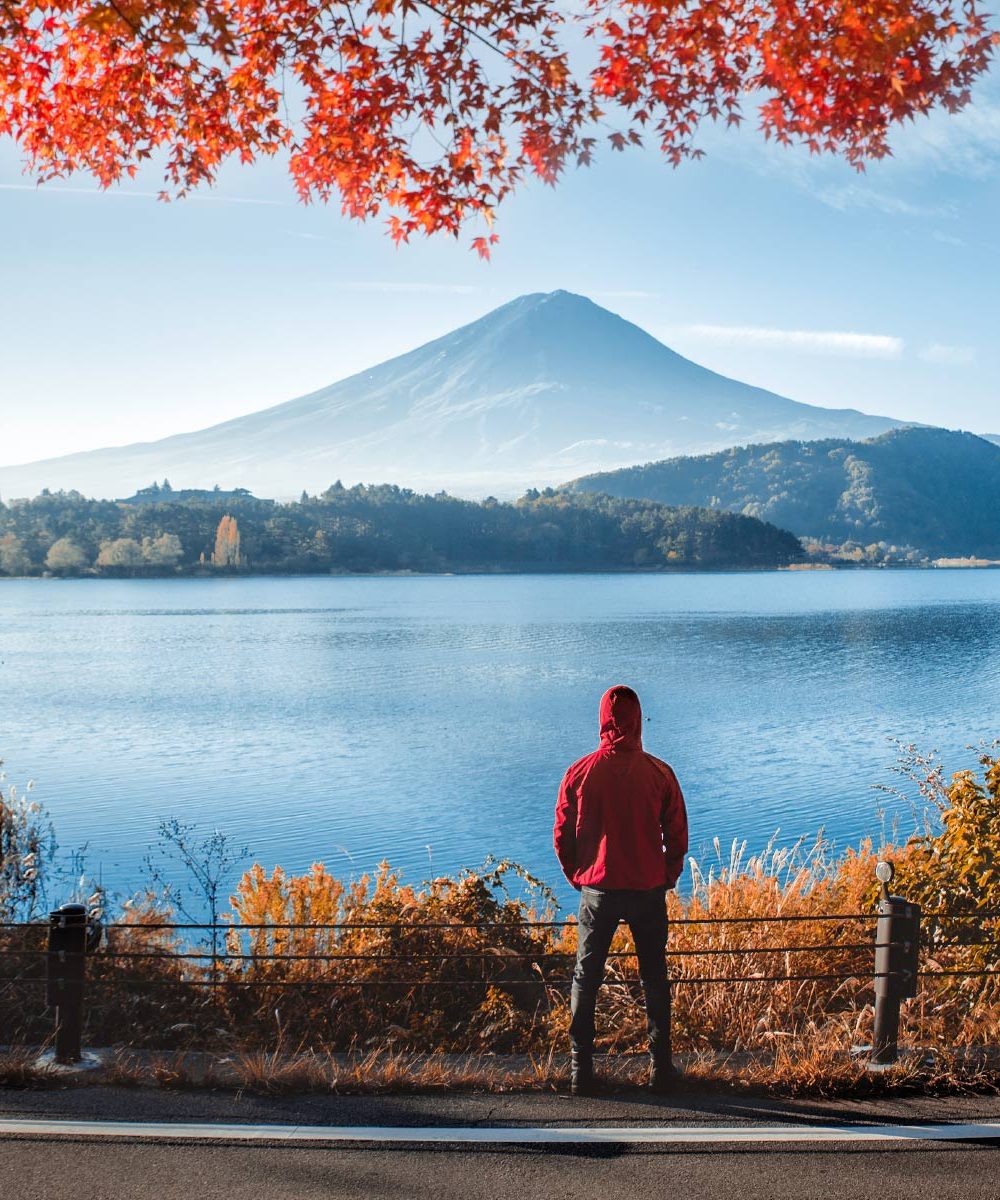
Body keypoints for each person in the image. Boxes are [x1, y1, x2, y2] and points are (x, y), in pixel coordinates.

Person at [553, 684, 688, 1096]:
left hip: (598, 890)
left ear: (602, 722)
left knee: (585, 978)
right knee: (654, 978)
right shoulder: (659, 773)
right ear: (637, 721)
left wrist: (578, 874)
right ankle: (660, 1070)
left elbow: (561, 835)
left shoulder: (579, 773)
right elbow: (677, 835)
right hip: (647, 889)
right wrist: (667, 874)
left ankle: (581, 1072)